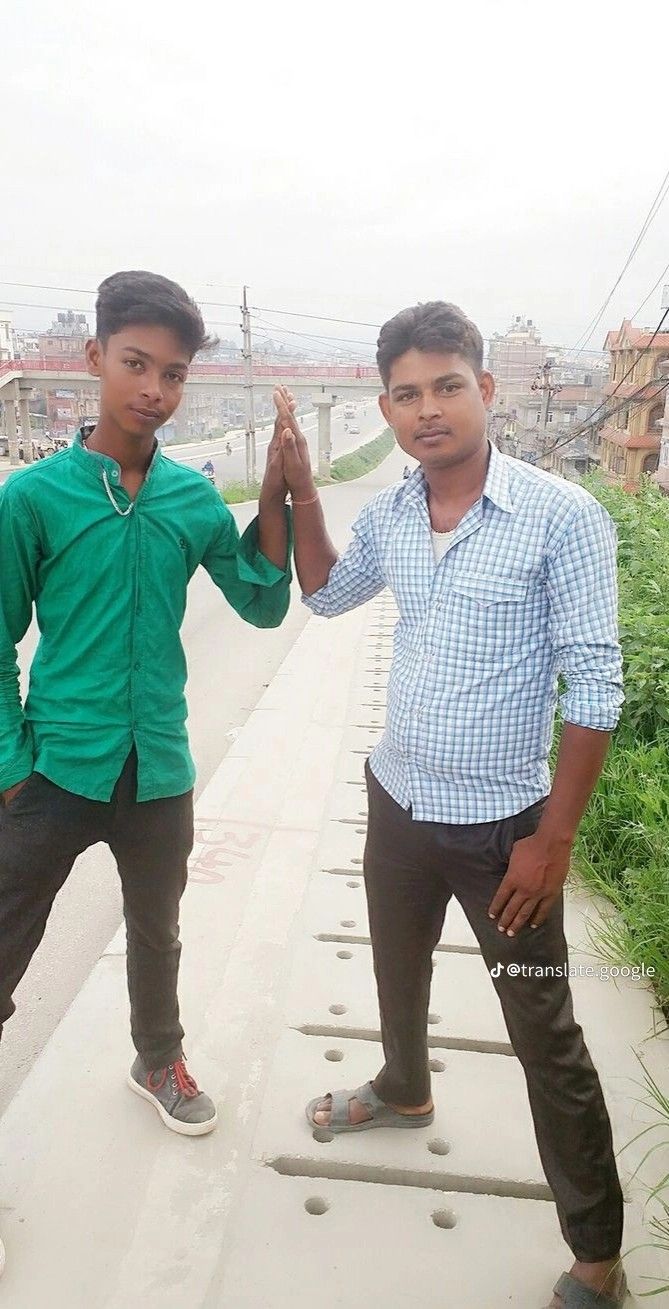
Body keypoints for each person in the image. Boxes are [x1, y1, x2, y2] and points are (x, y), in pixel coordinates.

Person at [274, 301, 627, 1309]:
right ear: (386, 406)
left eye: (447, 386)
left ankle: (597, 1253)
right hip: (399, 804)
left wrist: (551, 840)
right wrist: (302, 489)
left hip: (503, 835)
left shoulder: (562, 516)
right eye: (407, 393)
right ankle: (401, 1086)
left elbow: (596, 689)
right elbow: (327, 596)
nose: (428, 410)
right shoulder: (391, 514)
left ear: (488, 390)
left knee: (541, 1028)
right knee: (396, 966)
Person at [0, 271, 293, 1268]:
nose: (154, 388)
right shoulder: (31, 497)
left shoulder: (189, 497)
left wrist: (285, 495)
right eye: (136, 363)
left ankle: (157, 1058)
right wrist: (8, 763)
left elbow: (259, 600)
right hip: (54, 770)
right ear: (95, 361)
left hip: (157, 768)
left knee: (159, 927)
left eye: (172, 372)